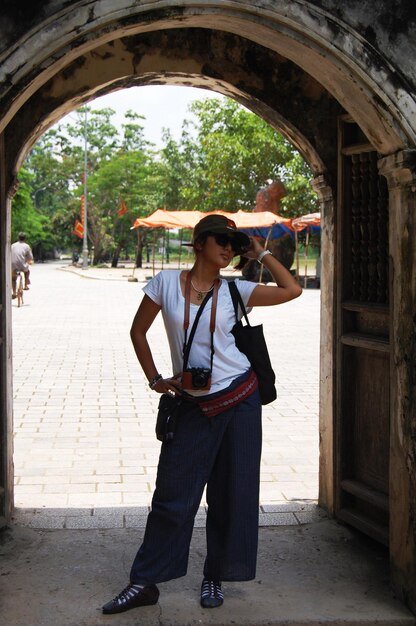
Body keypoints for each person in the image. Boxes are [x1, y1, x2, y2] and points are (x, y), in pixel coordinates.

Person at [102, 214, 302, 615]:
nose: (228, 248)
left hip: (240, 399)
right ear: (198, 244)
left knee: (232, 493)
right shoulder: (164, 285)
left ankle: (216, 574)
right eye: (219, 241)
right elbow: (137, 331)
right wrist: (156, 378)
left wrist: (260, 252)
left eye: (233, 243)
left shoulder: (236, 291)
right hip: (192, 403)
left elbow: (292, 289)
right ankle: (145, 581)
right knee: (173, 495)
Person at [11, 232, 33, 298]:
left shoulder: (13, 245)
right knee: (27, 271)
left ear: (18, 238)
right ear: (25, 239)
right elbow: (30, 258)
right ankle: (25, 286)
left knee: (13, 279)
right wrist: (29, 262)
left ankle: (14, 293)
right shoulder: (27, 246)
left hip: (13, 265)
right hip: (22, 266)